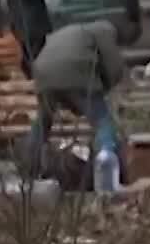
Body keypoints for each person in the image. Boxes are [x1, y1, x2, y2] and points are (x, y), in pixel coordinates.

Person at [25, 19, 126, 177]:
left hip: (42, 72)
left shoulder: (69, 32)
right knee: (102, 120)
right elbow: (114, 66)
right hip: (74, 70)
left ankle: (30, 165)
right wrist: (106, 87)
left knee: (43, 121)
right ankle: (106, 166)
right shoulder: (107, 30)